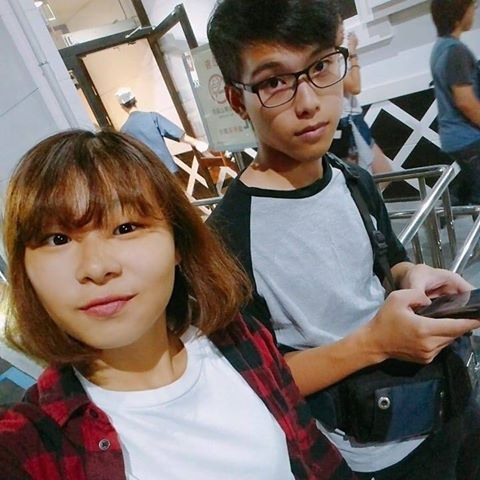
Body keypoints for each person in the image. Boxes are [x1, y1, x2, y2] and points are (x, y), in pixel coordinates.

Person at [206, 0, 480, 478]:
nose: (308, 102)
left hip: (445, 400)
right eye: (274, 82)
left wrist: (414, 275)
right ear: (236, 98)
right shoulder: (227, 237)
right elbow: (258, 382)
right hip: (371, 452)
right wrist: (376, 344)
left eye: (320, 67)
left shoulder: (352, 179)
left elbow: (389, 263)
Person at [0, 129, 355, 480]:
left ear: (178, 243)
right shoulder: (31, 446)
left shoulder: (237, 338)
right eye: (57, 239)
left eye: (125, 228)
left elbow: (316, 459)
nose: (96, 267)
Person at [430, 0, 480, 206]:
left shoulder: (439, 48)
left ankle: (451, 204)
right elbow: (465, 101)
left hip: (454, 137)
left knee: (469, 191)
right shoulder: (456, 51)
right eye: (471, 7)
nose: (474, 12)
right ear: (458, 14)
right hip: (468, 137)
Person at [330, 20, 393, 178]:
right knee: (367, 176)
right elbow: (355, 87)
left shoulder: (337, 56)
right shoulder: (330, 60)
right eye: (339, 25)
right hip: (347, 122)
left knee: (381, 173)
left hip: (353, 120)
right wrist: (353, 53)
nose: (343, 29)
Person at [116, 87, 208, 174]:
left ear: (122, 107)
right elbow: (177, 134)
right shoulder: (152, 117)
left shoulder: (124, 131)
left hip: (148, 174)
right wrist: (196, 143)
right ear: (135, 100)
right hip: (167, 168)